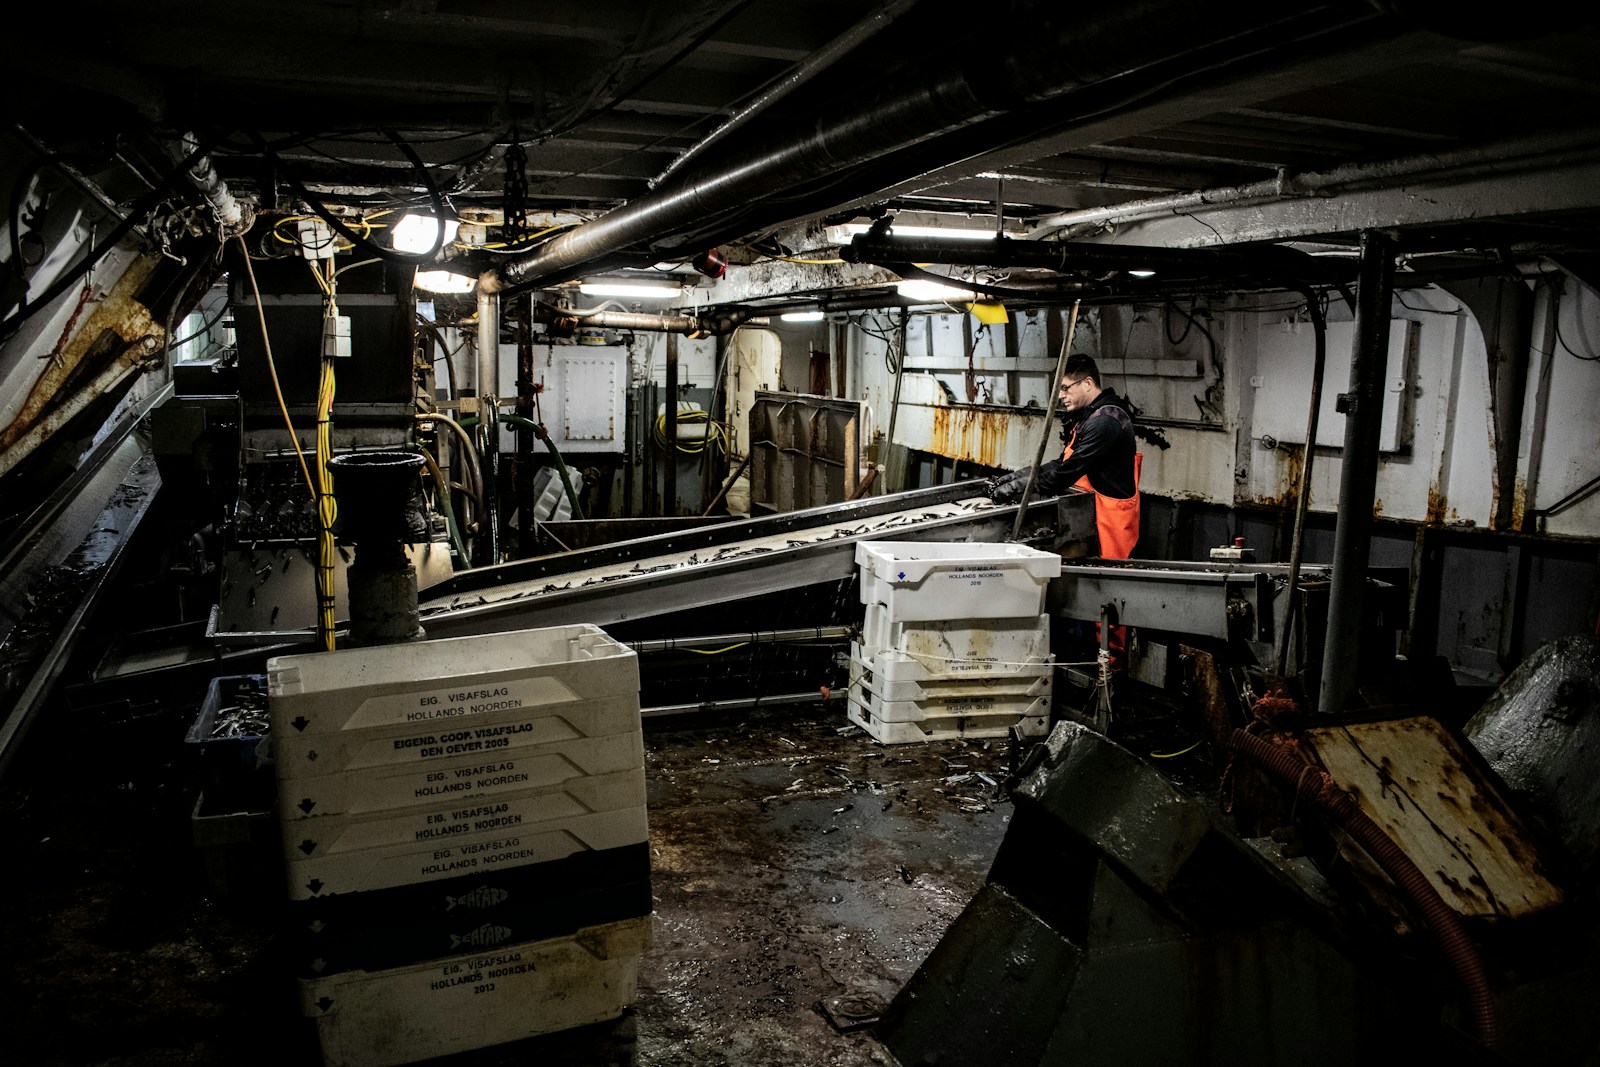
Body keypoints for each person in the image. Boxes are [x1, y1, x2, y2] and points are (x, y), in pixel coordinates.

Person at [987, 354, 1141, 559]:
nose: (1060, 395)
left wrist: (1020, 487)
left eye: (1065, 387)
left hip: (1110, 520)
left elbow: (1067, 472)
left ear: (1087, 383)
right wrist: (1019, 476)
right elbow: (1062, 462)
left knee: (1108, 575)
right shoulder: (1089, 416)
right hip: (1092, 512)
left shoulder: (1105, 421)